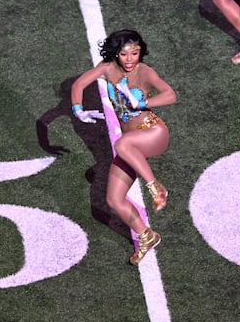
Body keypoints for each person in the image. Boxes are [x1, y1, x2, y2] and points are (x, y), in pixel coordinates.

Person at [70, 30, 177, 265]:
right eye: (124, 53)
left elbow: (170, 95)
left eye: (135, 53)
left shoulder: (146, 72)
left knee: (121, 144)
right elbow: (80, 83)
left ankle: (154, 186)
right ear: (116, 54)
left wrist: (145, 102)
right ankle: (146, 235)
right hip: (130, 144)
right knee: (113, 199)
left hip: (153, 132)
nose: (130, 59)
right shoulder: (108, 68)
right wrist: (78, 109)